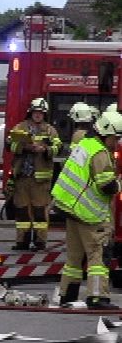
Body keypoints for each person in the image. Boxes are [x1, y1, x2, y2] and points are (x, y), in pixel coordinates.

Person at [51, 108, 122, 308]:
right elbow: (106, 186)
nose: (115, 142)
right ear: (105, 133)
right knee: (96, 257)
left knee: (74, 258)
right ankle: (98, 297)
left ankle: (67, 295)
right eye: (114, 138)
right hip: (89, 215)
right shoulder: (100, 152)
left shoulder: (85, 144)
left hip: (71, 210)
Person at [8, 96, 61, 250]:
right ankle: (22, 241)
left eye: (41, 113)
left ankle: (39, 242)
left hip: (41, 180)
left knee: (40, 212)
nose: (38, 115)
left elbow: (58, 148)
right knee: (22, 211)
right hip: (22, 177)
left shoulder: (50, 130)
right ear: (30, 112)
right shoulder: (20, 127)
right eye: (35, 112)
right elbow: (8, 144)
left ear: (45, 115)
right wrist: (24, 148)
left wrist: (45, 149)